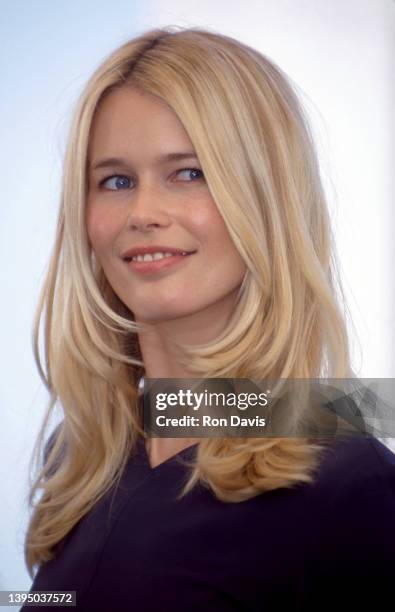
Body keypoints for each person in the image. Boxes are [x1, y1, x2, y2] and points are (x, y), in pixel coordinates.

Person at [23, 25, 395, 611]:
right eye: (115, 181)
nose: (143, 212)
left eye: (189, 172)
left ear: (266, 199)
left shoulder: (349, 480)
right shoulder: (78, 460)